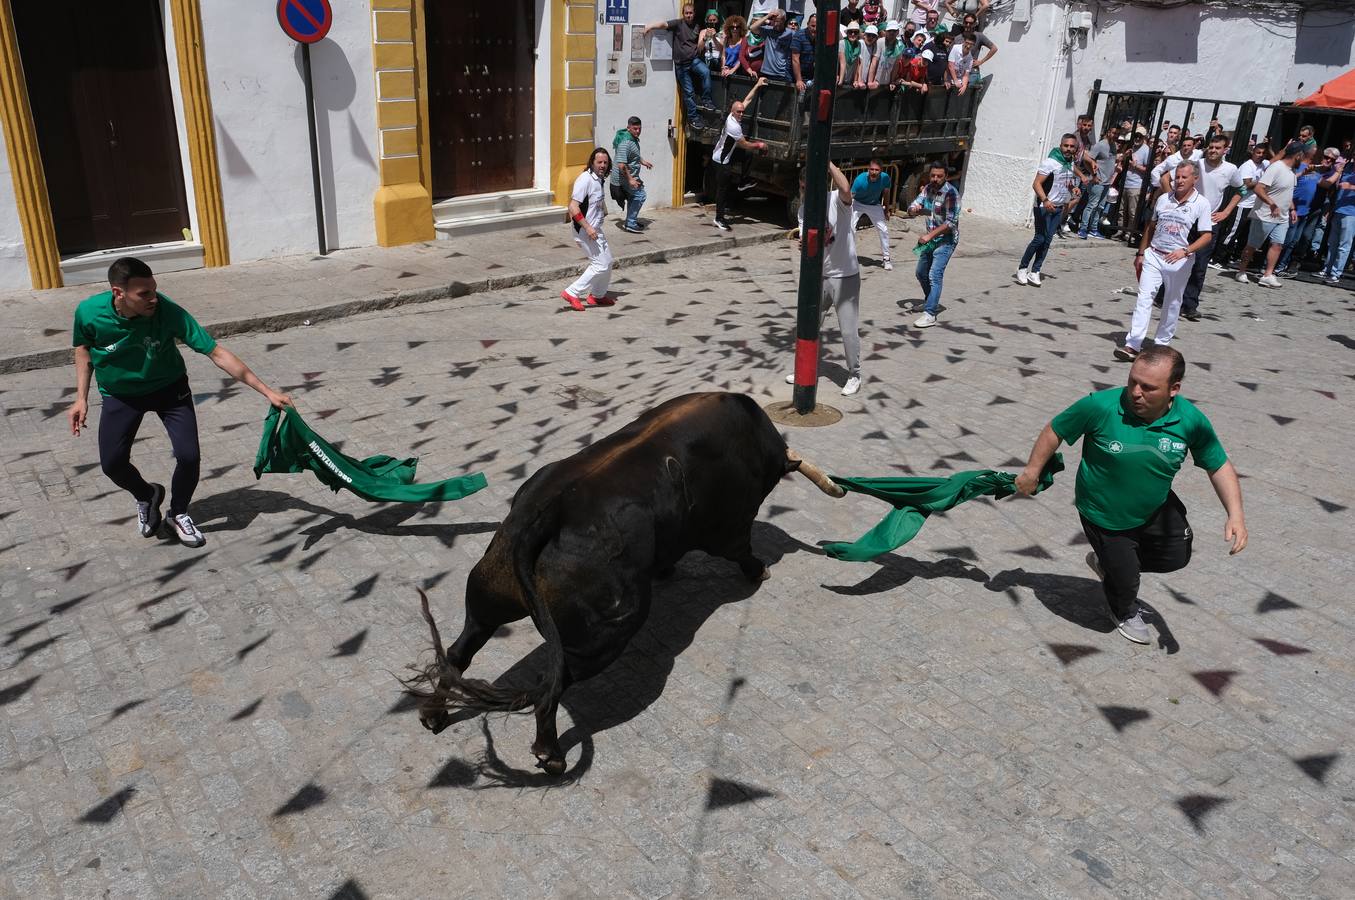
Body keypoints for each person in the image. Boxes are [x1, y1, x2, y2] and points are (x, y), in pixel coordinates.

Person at [1014, 346, 1247, 644]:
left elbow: (1218, 464)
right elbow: (1054, 430)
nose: (1136, 392)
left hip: (1156, 506)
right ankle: (1122, 609)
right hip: (1104, 513)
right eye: (1132, 381)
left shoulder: (1191, 420)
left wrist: (1236, 514)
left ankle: (1110, 565)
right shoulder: (1100, 406)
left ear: (1174, 389)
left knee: (1177, 556)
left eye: (1148, 387)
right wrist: (1032, 471)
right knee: (1125, 582)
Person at [68, 257, 292, 548]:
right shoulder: (88, 312)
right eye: (144, 294)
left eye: (154, 290)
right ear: (118, 293)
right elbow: (83, 349)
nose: (153, 299)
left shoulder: (168, 311)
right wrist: (81, 398)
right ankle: (147, 495)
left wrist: (267, 391)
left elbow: (216, 353)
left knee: (189, 457)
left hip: (169, 390)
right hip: (120, 395)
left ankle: (178, 513)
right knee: (112, 464)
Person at [1114, 160, 1212, 361]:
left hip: (1180, 262)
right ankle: (1133, 344)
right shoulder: (1163, 199)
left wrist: (1185, 251)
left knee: (1172, 302)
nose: (1179, 181)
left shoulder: (1201, 204)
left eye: (1184, 177)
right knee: (1144, 298)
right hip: (1155, 255)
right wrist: (1141, 254)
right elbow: (1151, 227)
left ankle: (1161, 344)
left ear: (1195, 179)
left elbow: (1206, 236)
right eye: (1177, 176)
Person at [786, 161, 864, 397]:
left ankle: (854, 374)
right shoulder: (803, 210)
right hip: (820, 276)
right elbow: (807, 239)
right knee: (807, 325)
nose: (804, 192)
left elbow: (846, 187)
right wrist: (803, 244)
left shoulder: (836, 200)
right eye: (801, 187)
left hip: (846, 275)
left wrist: (827, 162)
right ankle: (803, 369)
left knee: (848, 330)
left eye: (808, 187)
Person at [1178, 135, 1242, 321]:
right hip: (1188, 219)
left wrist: (1227, 211)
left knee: (1199, 266)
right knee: (1177, 258)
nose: (1213, 151)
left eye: (1217, 148)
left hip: (1209, 223)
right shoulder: (1196, 164)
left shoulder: (1230, 169)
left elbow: (1241, 190)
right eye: (1211, 147)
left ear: (1225, 150)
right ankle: (1164, 295)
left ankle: (1190, 305)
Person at [1017, 133, 1082, 287]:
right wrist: (1045, 200)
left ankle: (1035, 271)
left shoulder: (1070, 164)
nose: (1068, 149)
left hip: (1058, 208)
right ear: (1061, 146)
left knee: (1047, 240)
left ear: (1075, 149)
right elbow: (1036, 184)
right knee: (1039, 238)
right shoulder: (1050, 163)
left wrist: (1074, 188)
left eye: (1072, 146)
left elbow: (1066, 182)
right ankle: (1022, 268)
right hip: (1043, 206)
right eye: (1066, 145)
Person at [1234, 140, 1302, 288]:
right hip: (1264, 214)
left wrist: (1292, 209)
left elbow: (1287, 193)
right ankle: (1241, 270)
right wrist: (1271, 203)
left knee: (1277, 245)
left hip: (1282, 216)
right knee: (1252, 245)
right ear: (1297, 155)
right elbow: (1259, 188)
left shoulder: (1292, 172)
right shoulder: (1276, 167)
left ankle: (1267, 275)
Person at [905, 160, 961, 328]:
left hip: (946, 240)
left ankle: (930, 314)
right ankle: (931, 302)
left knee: (934, 275)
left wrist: (930, 235)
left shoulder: (951, 194)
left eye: (939, 176)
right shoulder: (928, 188)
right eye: (933, 175)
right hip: (930, 239)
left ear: (946, 176)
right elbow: (916, 203)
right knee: (921, 273)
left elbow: (950, 223)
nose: (935, 179)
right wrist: (912, 209)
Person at [710, 77, 769, 232]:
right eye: (739, 112)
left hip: (728, 154)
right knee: (722, 190)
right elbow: (745, 144)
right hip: (721, 160)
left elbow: (747, 99)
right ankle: (719, 218)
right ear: (732, 112)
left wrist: (757, 85)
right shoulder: (733, 125)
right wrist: (760, 145)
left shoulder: (735, 114)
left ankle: (743, 181)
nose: (742, 114)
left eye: (743, 112)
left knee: (747, 156)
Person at [643, 5, 715, 128]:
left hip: (694, 60)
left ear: (694, 13)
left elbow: (699, 46)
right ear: (683, 13)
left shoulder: (697, 26)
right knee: (689, 92)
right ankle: (693, 118)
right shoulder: (678, 23)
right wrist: (649, 27)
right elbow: (663, 24)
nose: (689, 15)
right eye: (687, 13)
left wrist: (706, 37)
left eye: (691, 13)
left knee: (706, 72)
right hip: (681, 65)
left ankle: (706, 100)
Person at [562, 148, 615, 310]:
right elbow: (573, 207)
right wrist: (588, 227)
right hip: (585, 231)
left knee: (608, 262)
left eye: (605, 162)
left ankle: (597, 295)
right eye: (599, 162)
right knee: (599, 264)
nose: (603, 165)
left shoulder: (599, 179)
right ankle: (572, 292)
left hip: (595, 229)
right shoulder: (585, 179)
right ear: (592, 162)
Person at [1212, 142, 1267, 268]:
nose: (1260, 155)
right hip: (1243, 204)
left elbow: (1276, 160)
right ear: (1253, 153)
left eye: (1263, 153)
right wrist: (1262, 182)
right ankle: (1217, 258)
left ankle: (1231, 256)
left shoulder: (1264, 165)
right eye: (1258, 152)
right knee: (1232, 231)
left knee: (1243, 234)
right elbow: (1245, 184)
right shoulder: (1248, 166)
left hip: (1254, 204)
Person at [1274, 149, 1321, 277]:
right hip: (1293, 209)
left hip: (1305, 212)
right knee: (1284, 240)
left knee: (1294, 241)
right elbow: (1288, 181)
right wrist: (1303, 173)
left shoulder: (1317, 171)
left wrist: (1338, 171)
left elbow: (1327, 184)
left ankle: (1280, 266)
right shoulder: (1297, 166)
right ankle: (1270, 265)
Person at [609, 117, 653, 234]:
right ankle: (631, 223)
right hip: (622, 179)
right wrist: (630, 180)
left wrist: (642, 161)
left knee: (634, 197)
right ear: (629, 128)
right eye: (635, 129)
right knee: (640, 195)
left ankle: (630, 221)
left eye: (639, 128)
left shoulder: (632, 139)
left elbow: (633, 155)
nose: (638, 131)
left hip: (626, 177)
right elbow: (622, 165)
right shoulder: (626, 142)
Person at [1076, 124, 1119, 239]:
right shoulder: (1100, 145)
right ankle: (1083, 229)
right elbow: (1086, 159)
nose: (1115, 135)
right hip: (1097, 181)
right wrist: (1093, 175)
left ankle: (1093, 229)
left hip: (1107, 182)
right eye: (1113, 133)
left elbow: (1110, 161)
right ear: (1108, 132)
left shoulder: (1114, 145)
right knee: (1091, 206)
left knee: (1100, 207)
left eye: (1117, 134)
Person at [850, 158, 894, 270]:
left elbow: (886, 193)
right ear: (868, 169)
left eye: (877, 170)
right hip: (857, 203)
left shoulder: (885, 178)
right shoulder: (860, 180)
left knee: (883, 229)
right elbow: (850, 197)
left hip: (874, 204)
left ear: (881, 171)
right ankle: (850, 256)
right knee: (850, 228)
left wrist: (886, 209)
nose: (874, 172)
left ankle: (886, 258)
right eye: (872, 169)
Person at [1319, 154, 1355, 285]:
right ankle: (1327, 269)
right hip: (1338, 209)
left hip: (1351, 213)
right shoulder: (1348, 167)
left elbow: (1346, 187)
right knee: (1332, 243)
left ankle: (1336, 274)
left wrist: (1350, 187)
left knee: (1344, 245)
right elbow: (1337, 188)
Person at [1120, 129, 1152, 244]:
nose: (1137, 138)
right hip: (1125, 183)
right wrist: (1125, 156)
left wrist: (1136, 166)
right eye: (1135, 136)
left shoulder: (1147, 150)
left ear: (1144, 137)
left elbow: (1148, 169)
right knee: (1122, 210)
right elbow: (1122, 161)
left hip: (1136, 185)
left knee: (1132, 212)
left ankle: (1130, 233)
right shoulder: (1131, 147)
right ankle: (1121, 231)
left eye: (1140, 136)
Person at [749, 9, 794, 81]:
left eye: (779, 21)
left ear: (784, 20)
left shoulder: (790, 33)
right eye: (774, 21)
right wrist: (768, 16)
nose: (776, 24)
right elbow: (752, 28)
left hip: (782, 73)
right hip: (767, 72)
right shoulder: (768, 31)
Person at [868, 20, 906, 89]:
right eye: (890, 30)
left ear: (897, 32)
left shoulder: (900, 46)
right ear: (886, 31)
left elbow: (896, 66)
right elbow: (874, 62)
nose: (892, 33)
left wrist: (892, 81)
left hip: (887, 83)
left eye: (894, 31)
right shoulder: (880, 42)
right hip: (876, 81)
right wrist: (870, 81)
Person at [790, 12, 816, 92]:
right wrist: (799, 80)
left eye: (817, 26)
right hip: (797, 75)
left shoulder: (821, 37)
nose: (815, 29)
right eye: (813, 26)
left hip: (812, 77)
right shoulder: (799, 36)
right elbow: (795, 59)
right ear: (808, 24)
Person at [839, 21, 866, 87]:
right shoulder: (842, 43)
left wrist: (855, 80)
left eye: (855, 32)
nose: (853, 34)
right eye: (850, 32)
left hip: (850, 80)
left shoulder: (858, 44)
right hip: (841, 77)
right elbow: (843, 63)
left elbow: (857, 63)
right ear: (847, 33)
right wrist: (840, 81)